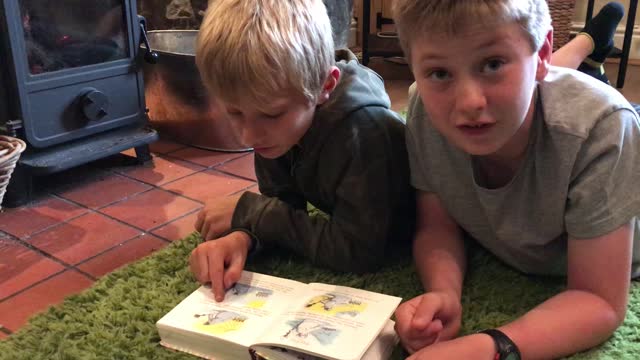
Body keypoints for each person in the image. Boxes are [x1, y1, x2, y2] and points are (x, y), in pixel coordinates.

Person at [391, 1, 640, 359]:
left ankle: (587, 49)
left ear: (542, 55)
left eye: (492, 64)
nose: (469, 102)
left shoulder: (602, 129)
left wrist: (491, 347)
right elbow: (437, 227)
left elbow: (599, 299)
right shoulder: (424, 112)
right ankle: (589, 47)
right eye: (440, 74)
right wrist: (443, 291)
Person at [189, 0, 414, 302]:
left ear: (325, 85)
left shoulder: (364, 132)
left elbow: (359, 252)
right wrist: (244, 237)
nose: (248, 134)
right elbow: (283, 204)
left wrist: (250, 211)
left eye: (271, 115)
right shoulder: (275, 122)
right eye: (234, 112)